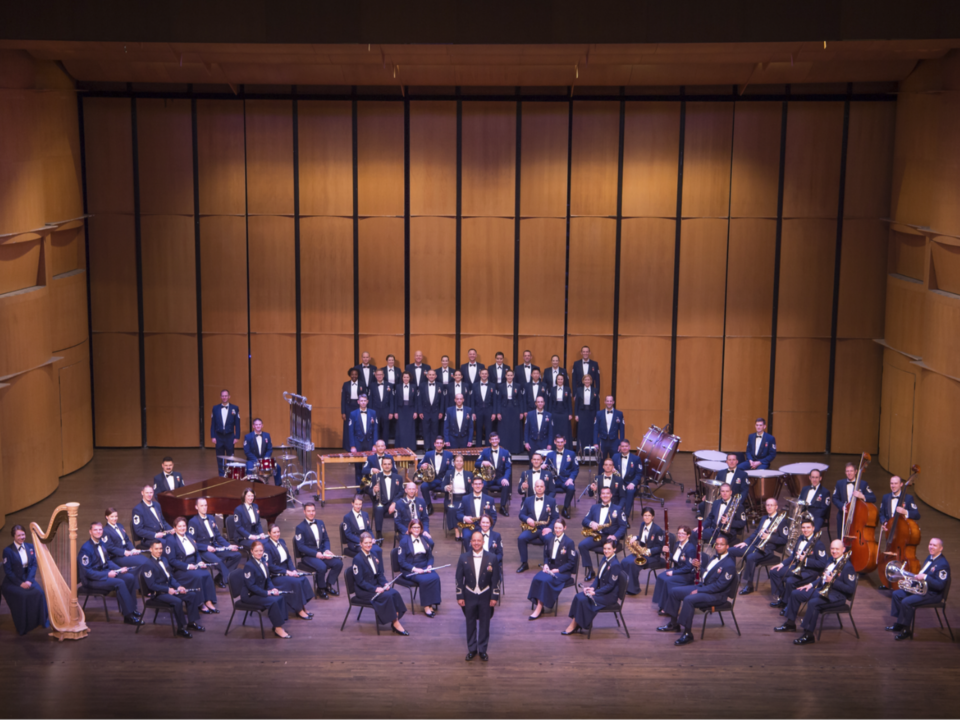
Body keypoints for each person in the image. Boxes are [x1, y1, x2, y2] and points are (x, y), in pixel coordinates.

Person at [657, 536, 737, 645]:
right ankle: (674, 624)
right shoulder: (714, 557)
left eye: (721, 544)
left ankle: (687, 633)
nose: (718, 546)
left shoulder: (729, 565)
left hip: (717, 595)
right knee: (674, 591)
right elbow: (708, 575)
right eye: (717, 544)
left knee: (689, 599)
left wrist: (700, 591)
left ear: (727, 546)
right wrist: (699, 567)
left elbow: (719, 586)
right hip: (704, 587)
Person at [775, 539, 857, 645]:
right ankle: (790, 624)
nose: (834, 551)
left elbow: (850, 589)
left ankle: (808, 635)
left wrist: (833, 581)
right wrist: (811, 585)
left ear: (843, 549)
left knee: (814, 603)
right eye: (832, 548)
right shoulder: (830, 560)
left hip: (837, 596)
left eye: (837, 549)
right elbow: (823, 577)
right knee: (796, 593)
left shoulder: (848, 567)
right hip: (823, 589)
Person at [79, 522, 142, 626]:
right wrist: (107, 575)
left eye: (100, 529)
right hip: (92, 580)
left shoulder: (102, 543)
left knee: (130, 577)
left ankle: (132, 608)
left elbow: (108, 561)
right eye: (95, 530)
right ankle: (128, 616)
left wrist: (119, 569)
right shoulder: (85, 549)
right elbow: (87, 572)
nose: (98, 532)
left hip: (103, 573)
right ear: (90, 532)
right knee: (120, 582)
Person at [887, 537, 950, 640]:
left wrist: (925, 577)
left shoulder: (943, 564)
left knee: (906, 602)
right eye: (930, 544)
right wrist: (909, 582)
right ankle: (900, 623)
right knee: (897, 594)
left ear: (941, 548)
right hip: (923, 589)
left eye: (935, 545)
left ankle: (906, 630)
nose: (931, 547)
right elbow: (920, 576)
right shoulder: (929, 558)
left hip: (933, 594)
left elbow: (940, 586)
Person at [142, 539, 204, 638]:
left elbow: (170, 577)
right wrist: (167, 590)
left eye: (161, 548)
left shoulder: (164, 559)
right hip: (159, 593)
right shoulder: (147, 565)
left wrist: (178, 586)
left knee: (191, 595)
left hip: (170, 589)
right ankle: (181, 628)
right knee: (177, 601)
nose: (159, 551)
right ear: (151, 549)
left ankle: (191, 623)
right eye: (156, 549)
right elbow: (151, 585)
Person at [352, 532, 408, 635]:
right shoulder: (357, 559)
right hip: (364, 590)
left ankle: (394, 617)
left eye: (370, 542)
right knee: (386, 596)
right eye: (366, 543)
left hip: (375, 585)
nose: (368, 545)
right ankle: (395, 622)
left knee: (394, 593)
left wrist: (385, 583)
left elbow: (379, 574)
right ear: (361, 544)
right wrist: (375, 589)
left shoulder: (373, 555)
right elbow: (360, 582)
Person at [456, 529, 500, 661]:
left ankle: (482, 650)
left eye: (478, 540)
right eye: (474, 540)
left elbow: (496, 579)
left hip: (485, 595)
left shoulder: (492, 558)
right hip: (469, 595)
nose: (476, 543)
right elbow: (458, 579)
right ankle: (472, 649)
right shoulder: (463, 557)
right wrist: (460, 596)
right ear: (470, 542)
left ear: (483, 541)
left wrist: (494, 597)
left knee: (484, 624)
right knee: (470, 623)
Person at [730, 497, 789, 595]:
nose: (769, 507)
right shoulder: (764, 518)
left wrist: (769, 537)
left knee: (750, 557)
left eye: (771, 505)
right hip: (755, 545)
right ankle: (731, 577)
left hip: (767, 550)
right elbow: (755, 533)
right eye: (767, 505)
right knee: (732, 550)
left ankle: (749, 586)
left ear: (776, 507)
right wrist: (746, 542)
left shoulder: (782, 521)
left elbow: (784, 540)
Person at [563, 539, 621, 636]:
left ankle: (574, 625)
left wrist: (596, 593)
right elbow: (598, 577)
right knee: (578, 597)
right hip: (602, 591)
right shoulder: (605, 558)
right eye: (604, 548)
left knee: (583, 600)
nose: (606, 551)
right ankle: (576, 622)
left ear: (614, 549)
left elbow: (610, 586)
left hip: (609, 596)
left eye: (609, 549)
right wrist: (592, 588)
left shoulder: (615, 565)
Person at [164, 517, 220, 613]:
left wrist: (199, 562)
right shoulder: (171, 540)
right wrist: (187, 566)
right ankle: (200, 603)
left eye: (184, 526)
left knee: (207, 574)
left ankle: (208, 601)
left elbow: (196, 552)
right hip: (181, 569)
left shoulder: (189, 535)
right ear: (175, 528)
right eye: (179, 526)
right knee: (198, 576)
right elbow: (172, 560)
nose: (182, 528)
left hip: (194, 565)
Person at [1, 525, 49, 635]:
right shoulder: (8, 551)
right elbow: (8, 571)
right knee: (23, 596)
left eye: (23, 534)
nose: (21, 537)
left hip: (27, 578)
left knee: (40, 593)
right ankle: (24, 626)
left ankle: (41, 621)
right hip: (12, 581)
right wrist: (20, 583)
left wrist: (29, 580)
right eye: (18, 535)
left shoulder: (30, 547)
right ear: (13, 536)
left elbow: (33, 565)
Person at [769, 519, 827, 608]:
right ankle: (782, 598)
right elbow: (793, 556)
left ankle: (787, 604)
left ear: (813, 528)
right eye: (803, 527)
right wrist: (782, 564)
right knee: (774, 571)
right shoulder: (800, 538)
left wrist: (806, 560)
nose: (805, 530)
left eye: (808, 527)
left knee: (790, 581)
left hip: (809, 572)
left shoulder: (818, 544)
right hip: (797, 567)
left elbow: (822, 564)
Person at [528, 519, 577, 620]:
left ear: (565, 527)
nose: (557, 530)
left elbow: (571, 563)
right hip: (550, 568)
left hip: (563, 572)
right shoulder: (549, 539)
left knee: (546, 581)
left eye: (560, 528)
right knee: (537, 578)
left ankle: (539, 608)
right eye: (556, 528)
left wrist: (558, 570)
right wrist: (546, 564)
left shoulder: (569, 542)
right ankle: (538, 604)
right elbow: (546, 555)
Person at [263, 525, 314, 621]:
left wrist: (293, 570)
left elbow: (288, 558)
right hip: (276, 575)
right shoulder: (267, 546)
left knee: (302, 579)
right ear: (269, 533)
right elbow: (270, 566)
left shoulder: (281, 541)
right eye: (274, 532)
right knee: (296, 582)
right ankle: (299, 610)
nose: (277, 534)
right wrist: (287, 572)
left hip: (287, 571)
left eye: (278, 531)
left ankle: (302, 606)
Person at [188, 497, 242, 588]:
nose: (204, 507)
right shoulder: (193, 522)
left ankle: (219, 578)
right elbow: (191, 542)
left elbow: (218, 536)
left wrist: (229, 546)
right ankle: (230, 579)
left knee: (236, 555)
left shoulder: (211, 518)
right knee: (218, 561)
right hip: (204, 551)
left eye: (206, 505)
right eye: (202, 506)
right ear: (196, 507)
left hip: (215, 547)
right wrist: (206, 548)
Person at [243, 541, 292, 639]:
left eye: (261, 550)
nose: (259, 553)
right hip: (251, 595)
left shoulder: (263, 560)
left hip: (260, 591)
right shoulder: (249, 565)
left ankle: (278, 624)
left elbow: (268, 578)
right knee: (273, 602)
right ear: (251, 551)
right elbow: (251, 586)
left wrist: (272, 588)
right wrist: (267, 593)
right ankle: (278, 629)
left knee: (280, 597)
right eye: (256, 551)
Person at [294, 502, 343, 598]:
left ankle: (328, 585)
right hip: (308, 556)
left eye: (313, 511)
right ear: (304, 512)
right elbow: (301, 547)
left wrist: (327, 550)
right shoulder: (300, 528)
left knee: (338, 563)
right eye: (309, 511)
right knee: (322, 567)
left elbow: (326, 539)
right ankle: (321, 588)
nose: (311, 513)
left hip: (322, 553)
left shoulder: (320, 523)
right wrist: (316, 554)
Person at [579, 487, 628, 581]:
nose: (605, 495)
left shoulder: (618, 509)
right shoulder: (594, 507)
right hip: (597, 536)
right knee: (582, 545)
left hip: (610, 537)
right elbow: (584, 520)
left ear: (611, 495)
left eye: (607, 493)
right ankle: (590, 570)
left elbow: (623, 526)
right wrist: (591, 523)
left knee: (608, 549)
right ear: (600, 496)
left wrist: (615, 536)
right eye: (603, 493)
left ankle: (608, 572)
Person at [397, 520, 442, 618]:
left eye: (418, 527)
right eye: (414, 527)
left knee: (435, 577)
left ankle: (431, 603)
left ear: (421, 529)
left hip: (424, 565)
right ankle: (426, 606)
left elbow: (430, 556)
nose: (416, 529)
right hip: (410, 568)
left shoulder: (424, 539)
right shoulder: (404, 541)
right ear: (410, 529)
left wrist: (430, 565)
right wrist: (415, 569)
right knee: (425, 580)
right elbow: (401, 561)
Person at [516, 479, 558, 573]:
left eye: (541, 486)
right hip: (531, 529)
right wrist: (527, 519)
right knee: (521, 538)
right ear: (534, 488)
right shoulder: (527, 500)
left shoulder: (551, 501)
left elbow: (556, 517)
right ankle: (524, 563)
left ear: (545, 488)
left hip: (545, 529)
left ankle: (547, 564)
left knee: (550, 539)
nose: (539, 488)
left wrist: (550, 529)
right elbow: (521, 514)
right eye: (537, 486)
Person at [652, 526, 698, 610]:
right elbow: (674, 558)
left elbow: (688, 567)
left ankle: (667, 607)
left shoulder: (690, 549)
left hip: (687, 574)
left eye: (683, 534)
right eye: (679, 533)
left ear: (688, 535)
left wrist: (673, 573)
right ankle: (661, 603)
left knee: (667, 581)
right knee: (660, 577)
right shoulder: (677, 544)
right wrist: (667, 552)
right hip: (678, 569)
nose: (680, 535)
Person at [623, 508, 666, 595]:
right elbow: (643, 537)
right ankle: (625, 586)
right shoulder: (643, 525)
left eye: (649, 515)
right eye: (645, 515)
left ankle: (633, 589)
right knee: (625, 561)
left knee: (633, 564)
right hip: (642, 552)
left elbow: (660, 547)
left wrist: (648, 550)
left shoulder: (657, 530)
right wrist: (636, 537)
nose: (647, 517)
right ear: (642, 516)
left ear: (653, 517)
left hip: (653, 556)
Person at [832, 461, 876, 541]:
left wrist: (862, 496)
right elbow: (834, 498)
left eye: (851, 471)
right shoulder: (839, 483)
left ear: (856, 472)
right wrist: (842, 506)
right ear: (845, 472)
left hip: (857, 516)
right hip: (843, 516)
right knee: (842, 538)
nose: (849, 473)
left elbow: (873, 498)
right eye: (847, 471)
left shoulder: (863, 484)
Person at [102, 507, 151, 574]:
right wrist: (124, 552)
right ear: (107, 517)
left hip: (128, 552)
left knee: (148, 561)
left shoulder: (120, 526)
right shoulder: (105, 530)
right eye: (112, 516)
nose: (114, 518)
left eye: (116, 516)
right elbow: (110, 547)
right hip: (118, 557)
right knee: (143, 563)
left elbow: (127, 540)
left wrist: (133, 549)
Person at [700, 483, 746, 547]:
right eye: (722, 491)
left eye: (727, 491)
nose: (724, 493)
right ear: (720, 492)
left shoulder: (738, 506)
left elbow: (742, 523)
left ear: (731, 492)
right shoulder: (716, 502)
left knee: (716, 543)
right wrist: (702, 526)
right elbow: (710, 517)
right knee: (695, 534)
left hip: (727, 533)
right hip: (714, 530)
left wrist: (728, 522)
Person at [368, 456, 403, 540]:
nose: (387, 466)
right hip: (381, 503)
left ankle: (399, 532)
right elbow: (369, 491)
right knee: (378, 509)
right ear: (382, 465)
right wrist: (374, 490)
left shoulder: (398, 478)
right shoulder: (375, 477)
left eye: (389, 464)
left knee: (401, 508)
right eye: (385, 464)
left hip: (393, 503)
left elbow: (401, 492)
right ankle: (379, 533)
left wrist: (394, 503)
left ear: (392, 465)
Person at [477, 432, 512, 515]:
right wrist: (483, 462)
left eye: (496, 439)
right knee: (482, 485)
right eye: (492, 439)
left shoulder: (505, 452)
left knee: (506, 485)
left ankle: (502, 507)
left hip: (500, 477)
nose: (494, 441)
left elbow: (508, 468)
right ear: (489, 441)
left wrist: (505, 478)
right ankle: (487, 507)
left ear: (499, 440)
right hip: (489, 478)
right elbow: (476, 463)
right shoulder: (485, 451)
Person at [457, 476, 498, 546]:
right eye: (475, 484)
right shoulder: (465, 498)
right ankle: (470, 555)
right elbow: (458, 514)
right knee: (466, 537)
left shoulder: (490, 499)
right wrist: (464, 518)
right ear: (472, 485)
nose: (478, 486)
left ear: (482, 485)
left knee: (485, 538)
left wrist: (488, 527)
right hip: (469, 526)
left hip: (484, 527)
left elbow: (494, 516)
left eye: (479, 484)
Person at [210, 389, 242, 476]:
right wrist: (213, 436)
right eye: (223, 396)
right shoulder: (215, 408)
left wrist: (237, 437)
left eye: (226, 396)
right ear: (220, 397)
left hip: (230, 436)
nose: (224, 397)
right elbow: (213, 423)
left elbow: (237, 424)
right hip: (219, 436)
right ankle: (221, 475)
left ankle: (230, 474)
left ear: (229, 397)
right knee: (219, 457)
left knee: (230, 457)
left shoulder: (234, 408)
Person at [132, 484, 174, 549]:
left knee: (176, 540)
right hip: (150, 538)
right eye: (147, 493)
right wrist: (155, 535)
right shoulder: (138, 509)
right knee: (168, 544)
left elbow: (163, 521)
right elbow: (138, 530)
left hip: (163, 534)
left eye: (151, 492)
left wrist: (171, 529)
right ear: (142, 493)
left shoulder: (157, 505)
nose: (149, 495)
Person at [545, 435, 578, 519]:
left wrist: (571, 479)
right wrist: (544, 467)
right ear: (554, 442)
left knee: (571, 488)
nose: (560, 444)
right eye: (558, 442)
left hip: (565, 480)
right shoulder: (549, 454)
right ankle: (547, 510)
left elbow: (575, 469)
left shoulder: (571, 454)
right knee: (543, 487)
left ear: (565, 442)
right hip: (553, 481)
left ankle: (565, 509)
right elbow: (546, 467)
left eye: (561, 442)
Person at [419, 436, 453, 514]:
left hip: (444, 480)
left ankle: (447, 505)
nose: (439, 445)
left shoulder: (449, 454)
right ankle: (429, 505)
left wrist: (446, 478)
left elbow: (451, 468)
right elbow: (419, 465)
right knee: (423, 486)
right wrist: (422, 465)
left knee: (450, 486)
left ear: (444, 444)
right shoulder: (428, 454)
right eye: (437, 443)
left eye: (441, 443)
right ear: (434, 444)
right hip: (432, 480)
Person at [349, 394, 379, 482]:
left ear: (367, 402)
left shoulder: (373, 413)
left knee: (370, 465)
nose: (363, 402)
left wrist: (375, 444)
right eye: (361, 401)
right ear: (358, 402)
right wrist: (352, 446)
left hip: (369, 442)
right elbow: (350, 431)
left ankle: (368, 486)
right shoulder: (353, 414)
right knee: (358, 466)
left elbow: (375, 429)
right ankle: (359, 488)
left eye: (364, 401)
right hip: (358, 442)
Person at [443, 454, 474, 540]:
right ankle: (457, 531)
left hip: (465, 497)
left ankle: (464, 529)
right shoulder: (448, 473)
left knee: (467, 508)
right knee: (452, 509)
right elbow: (442, 486)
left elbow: (472, 489)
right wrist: (446, 487)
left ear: (463, 462)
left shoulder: (469, 474)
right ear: (454, 462)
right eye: (457, 461)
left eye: (461, 461)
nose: (459, 463)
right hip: (452, 498)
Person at [243, 418, 281, 486]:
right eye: (256, 424)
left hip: (264, 460)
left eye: (259, 424)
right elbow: (247, 451)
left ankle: (278, 486)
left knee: (277, 467)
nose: (258, 426)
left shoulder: (267, 435)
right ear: (253, 426)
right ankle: (250, 487)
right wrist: (256, 460)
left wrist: (265, 459)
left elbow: (269, 449)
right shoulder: (248, 437)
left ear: (262, 425)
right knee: (249, 469)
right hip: (252, 460)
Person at [494, 369, 524, 455]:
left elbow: (521, 400)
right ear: (505, 376)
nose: (510, 377)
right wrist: (498, 412)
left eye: (511, 375)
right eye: (508, 375)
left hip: (515, 409)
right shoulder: (500, 386)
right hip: (504, 409)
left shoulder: (518, 386)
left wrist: (521, 412)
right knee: (504, 430)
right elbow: (498, 400)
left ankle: (515, 449)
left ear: (513, 376)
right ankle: (504, 449)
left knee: (515, 429)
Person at [611, 440, 641, 517]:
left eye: (626, 446)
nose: (624, 448)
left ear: (629, 447)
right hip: (618, 482)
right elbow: (609, 467)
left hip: (629, 482)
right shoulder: (615, 456)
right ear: (619, 447)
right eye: (622, 446)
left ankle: (625, 515)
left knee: (630, 492)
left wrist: (633, 483)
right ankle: (613, 513)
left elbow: (639, 474)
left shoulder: (636, 459)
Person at [797, 468, 831, 533]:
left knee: (813, 529)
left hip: (817, 517)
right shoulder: (804, 489)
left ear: (820, 478)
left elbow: (823, 509)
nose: (814, 480)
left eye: (816, 477)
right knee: (793, 527)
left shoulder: (825, 492)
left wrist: (810, 517)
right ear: (809, 478)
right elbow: (800, 503)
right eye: (813, 477)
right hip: (804, 516)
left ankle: (812, 542)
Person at [367, 369, 395, 447]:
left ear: (383, 375)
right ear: (375, 376)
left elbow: (392, 400)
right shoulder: (372, 385)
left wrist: (391, 412)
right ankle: (376, 446)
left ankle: (384, 446)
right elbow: (370, 399)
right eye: (377, 375)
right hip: (375, 411)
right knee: (376, 429)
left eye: (381, 374)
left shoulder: (389, 385)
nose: (379, 376)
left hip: (386, 411)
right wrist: (370, 413)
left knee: (386, 430)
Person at [574, 373, 599, 453]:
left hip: (591, 413)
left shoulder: (595, 390)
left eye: (589, 380)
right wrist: (576, 414)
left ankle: (590, 451)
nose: (587, 381)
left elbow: (597, 404)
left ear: (591, 381)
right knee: (581, 432)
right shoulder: (578, 390)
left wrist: (596, 415)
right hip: (582, 413)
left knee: (591, 432)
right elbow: (576, 403)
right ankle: (581, 450)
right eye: (586, 380)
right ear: (583, 381)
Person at [419, 369, 445, 445]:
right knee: (426, 429)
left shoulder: (440, 385)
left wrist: (441, 411)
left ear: (436, 376)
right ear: (427, 376)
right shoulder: (422, 385)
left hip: (436, 411)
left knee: (435, 430)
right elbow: (419, 399)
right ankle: (426, 447)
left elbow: (442, 399)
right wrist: (420, 411)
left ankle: (434, 447)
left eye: (433, 375)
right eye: (430, 375)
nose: (431, 376)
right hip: (425, 411)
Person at [394, 371, 419, 450]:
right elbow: (395, 399)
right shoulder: (398, 387)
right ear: (402, 378)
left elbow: (416, 400)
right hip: (400, 409)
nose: (406, 378)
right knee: (401, 429)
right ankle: (400, 447)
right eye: (404, 377)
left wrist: (415, 411)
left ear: (410, 378)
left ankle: (410, 447)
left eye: (407, 377)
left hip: (410, 409)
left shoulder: (414, 386)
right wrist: (395, 412)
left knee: (410, 429)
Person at [472, 369, 496, 447]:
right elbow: (472, 400)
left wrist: (494, 413)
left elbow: (495, 400)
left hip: (489, 410)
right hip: (478, 410)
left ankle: (488, 448)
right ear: (480, 375)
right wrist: (473, 412)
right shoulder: (474, 385)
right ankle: (478, 448)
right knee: (478, 430)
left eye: (486, 373)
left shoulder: (493, 385)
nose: (484, 375)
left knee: (489, 430)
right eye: (483, 373)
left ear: (488, 375)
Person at [594, 396, 624, 460]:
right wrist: (595, 442)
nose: (609, 403)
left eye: (611, 401)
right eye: (607, 401)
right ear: (605, 402)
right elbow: (596, 429)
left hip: (614, 441)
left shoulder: (619, 414)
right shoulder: (599, 413)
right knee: (601, 462)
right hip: (602, 441)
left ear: (613, 402)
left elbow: (622, 430)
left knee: (615, 461)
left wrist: (621, 444)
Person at [546, 374, 572, 447]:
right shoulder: (552, 389)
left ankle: (565, 447)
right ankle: (554, 447)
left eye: (561, 379)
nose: (560, 380)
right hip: (555, 411)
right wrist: (549, 413)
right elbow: (550, 402)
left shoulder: (567, 389)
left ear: (564, 380)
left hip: (564, 412)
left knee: (565, 430)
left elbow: (569, 402)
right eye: (558, 379)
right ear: (556, 380)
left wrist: (570, 413)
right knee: (554, 429)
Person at [341, 367, 362, 450]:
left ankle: (358, 447)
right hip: (348, 408)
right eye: (352, 374)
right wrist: (343, 412)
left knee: (358, 426)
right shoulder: (345, 384)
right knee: (348, 428)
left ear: (358, 375)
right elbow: (342, 399)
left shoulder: (362, 384)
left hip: (358, 407)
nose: (354, 376)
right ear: (350, 375)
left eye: (356, 374)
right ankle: (348, 448)